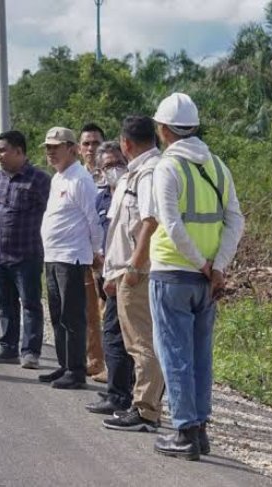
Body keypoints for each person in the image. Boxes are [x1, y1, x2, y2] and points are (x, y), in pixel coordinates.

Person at [149, 93, 244, 460]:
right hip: (206, 281)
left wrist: (204, 265)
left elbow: (170, 224)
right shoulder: (218, 166)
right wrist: (217, 266)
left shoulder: (167, 167)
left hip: (173, 273)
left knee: (174, 354)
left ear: (163, 130)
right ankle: (200, 430)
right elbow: (236, 219)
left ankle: (184, 432)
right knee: (200, 355)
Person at [99, 119, 165, 433]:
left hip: (137, 272)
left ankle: (146, 411)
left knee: (142, 344)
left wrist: (134, 269)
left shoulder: (150, 173)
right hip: (127, 269)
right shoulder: (137, 172)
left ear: (125, 143)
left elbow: (149, 223)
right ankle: (143, 405)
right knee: (135, 343)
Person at [39, 127, 103, 389]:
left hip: (73, 257)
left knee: (72, 315)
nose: (51, 152)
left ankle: (77, 371)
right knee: (56, 314)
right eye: (48, 147)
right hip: (53, 256)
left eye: (56, 146)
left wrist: (98, 253)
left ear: (72, 148)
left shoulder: (80, 179)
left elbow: (94, 219)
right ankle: (64, 365)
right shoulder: (58, 178)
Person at [0, 130, 50, 368]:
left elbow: (51, 215)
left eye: (3, 150)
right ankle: (8, 347)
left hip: (27, 255)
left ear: (19, 151)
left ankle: (30, 352)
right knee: (5, 303)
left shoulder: (39, 180)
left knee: (30, 304)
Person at [86, 140, 136, 415]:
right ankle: (119, 390)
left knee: (121, 336)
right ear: (100, 171)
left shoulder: (135, 191)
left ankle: (121, 395)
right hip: (106, 272)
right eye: (107, 166)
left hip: (130, 274)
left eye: (118, 163)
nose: (114, 169)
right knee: (113, 333)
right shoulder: (102, 197)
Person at [79, 123, 107, 380]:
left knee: (107, 310)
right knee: (88, 311)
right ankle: (95, 360)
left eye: (95, 143)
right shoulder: (77, 176)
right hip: (82, 251)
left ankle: (112, 364)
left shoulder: (111, 175)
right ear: (78, 148)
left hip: (107, 253)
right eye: (86, 143)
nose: (90, 148)